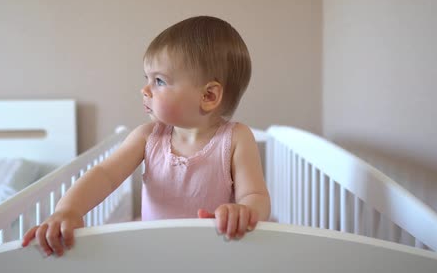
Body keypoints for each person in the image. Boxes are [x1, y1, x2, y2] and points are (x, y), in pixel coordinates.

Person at [22, 15, 270, 257]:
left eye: (159, 81)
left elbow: (255, 196)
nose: (145, 89)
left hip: (215, 253)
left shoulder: (236, 138)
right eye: (147, 79)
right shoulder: (148, 136)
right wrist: (68, 209)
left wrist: (244, 211)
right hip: (153, 252)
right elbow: (105, 175)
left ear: (208, 97)